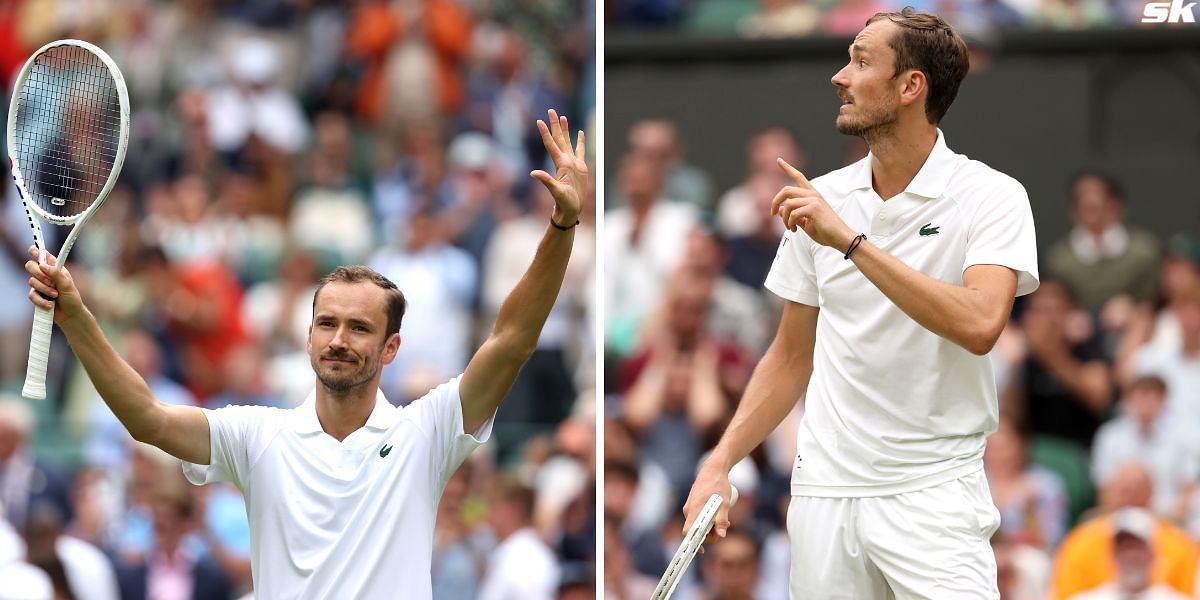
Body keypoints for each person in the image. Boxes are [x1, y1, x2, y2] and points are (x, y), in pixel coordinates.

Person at [22, 110, 587, 599]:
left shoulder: (428, 429)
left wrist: (562, 226)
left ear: (392, 348)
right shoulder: (257, 436)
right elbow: (145, 417)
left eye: (359, 328)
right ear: (309, 336)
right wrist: (75, 316)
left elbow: (512, 340)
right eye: (328, 323)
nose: (339, 339)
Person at [682, 9, 1038, 598]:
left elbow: (980, 324)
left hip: (935, 493)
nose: (839, 77)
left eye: (860, 61)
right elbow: (791, 356)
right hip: (825, 494)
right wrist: (721, 461)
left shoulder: (992, 197)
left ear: (910, 87)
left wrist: (848, 241)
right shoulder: (822, 198)